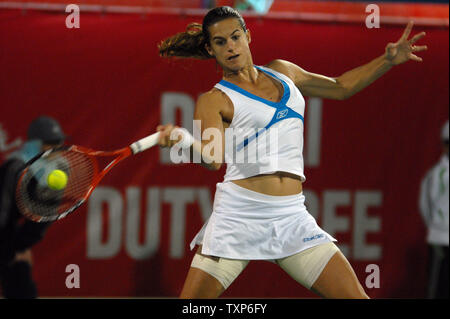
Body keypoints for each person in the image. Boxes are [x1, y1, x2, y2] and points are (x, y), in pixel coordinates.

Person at [156, 6, 427, 298]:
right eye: (220, 42)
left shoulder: (285, 72)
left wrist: (387, 61)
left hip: (291, 216)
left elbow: (341, 87)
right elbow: (212, 159)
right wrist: (183, 141)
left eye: (235, 36)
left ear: (248, 35)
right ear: (210, 49)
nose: (231, 46)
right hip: (238, 217)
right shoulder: (214, 99)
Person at [0, 116, 67, 298]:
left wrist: (20, 247)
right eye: (50, 143)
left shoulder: (58, 171)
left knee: (23, 287)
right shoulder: (14, 168)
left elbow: (39, 221)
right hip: (4, 236)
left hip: (10, 240)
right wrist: (10, 251)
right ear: (36, 144)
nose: (57, 147)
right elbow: (2, 215)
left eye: (59, 142)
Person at [419, 120, 449, 299]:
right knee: (439, 289)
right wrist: (438, 228)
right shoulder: (437, 174)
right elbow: (426, 205)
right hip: (441, 240)